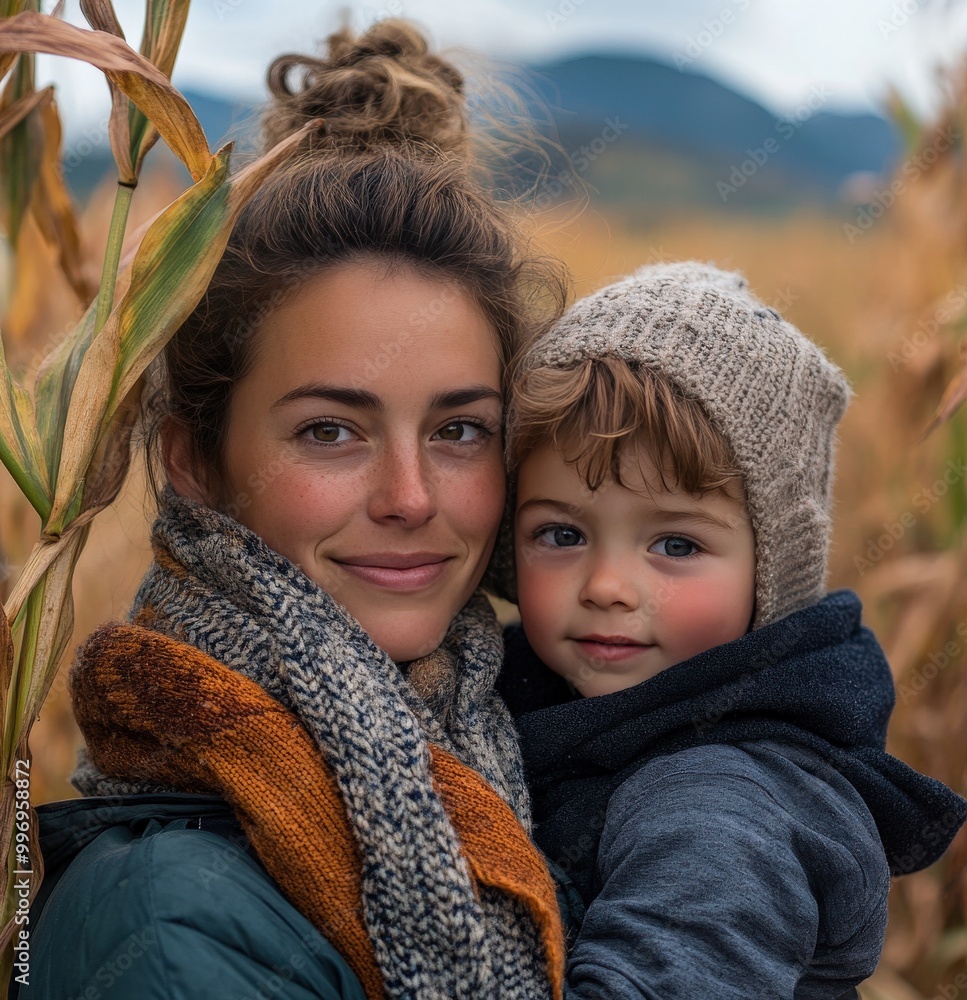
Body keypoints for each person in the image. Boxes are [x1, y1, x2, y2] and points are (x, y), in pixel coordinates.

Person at [20, 21, 570, 1000]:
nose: (410, 497)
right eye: (330, 431)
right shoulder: (169, 926)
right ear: (194, 459)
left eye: (458, 430)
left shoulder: (528, 746)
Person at [496, 262, 967, 999]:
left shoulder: (718, 810)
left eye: (675, 544)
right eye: (561, 534)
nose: (607, 586)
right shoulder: (538, 701)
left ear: (771, 569)